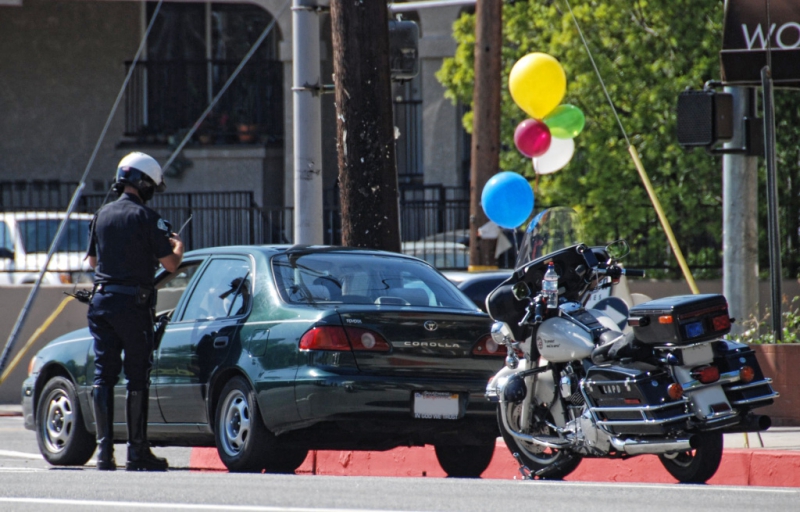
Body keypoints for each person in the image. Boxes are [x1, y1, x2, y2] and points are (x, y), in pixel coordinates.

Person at [86, 152, 184, 471]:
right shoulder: (147, 217)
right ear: (144, 183)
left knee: (104, 374)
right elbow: (170, 264)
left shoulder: (101, 215)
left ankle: (103, 454)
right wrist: (177, 247)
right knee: (137, 377)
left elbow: (92, 263)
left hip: (101, 302)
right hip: (133, 304)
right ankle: (137, 451)